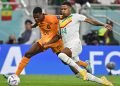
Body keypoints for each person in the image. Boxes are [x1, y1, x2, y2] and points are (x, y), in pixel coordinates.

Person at [56, 1, 113, 86]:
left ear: (70, 9)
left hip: (75, 44)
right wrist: (47, 42)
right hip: (68, 47)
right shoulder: (60, 22)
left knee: (61, 55)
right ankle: (103, 81)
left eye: (65, 9)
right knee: (78, 74)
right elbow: (59, 36)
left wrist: (103, 24)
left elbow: (90, 20)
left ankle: (83, 70)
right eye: (61, 9)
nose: (63, 11)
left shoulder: (76, 16)